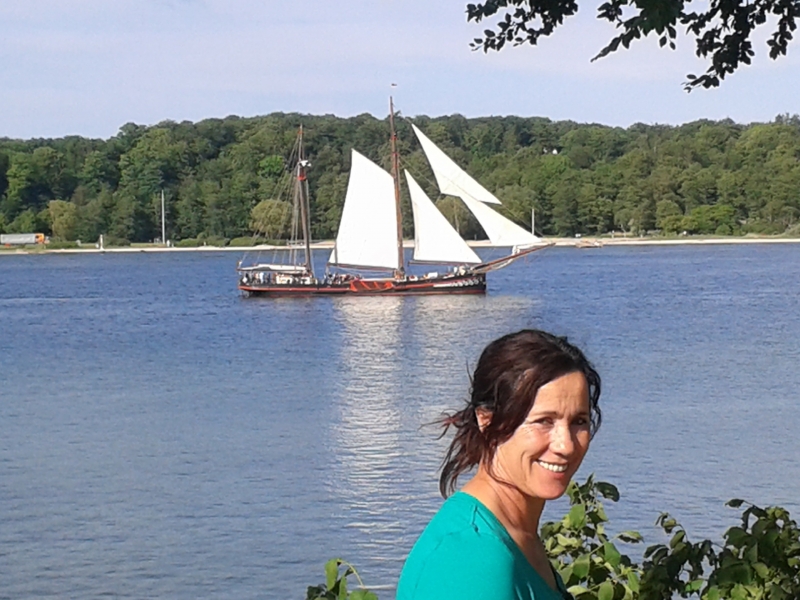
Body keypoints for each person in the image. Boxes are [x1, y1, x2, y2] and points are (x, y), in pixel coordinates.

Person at [396, 329, 602, 600]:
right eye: (544, 421)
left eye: (579, 421)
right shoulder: (469, 557)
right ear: (487, 420)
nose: (566, 445)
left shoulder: (517, 536)